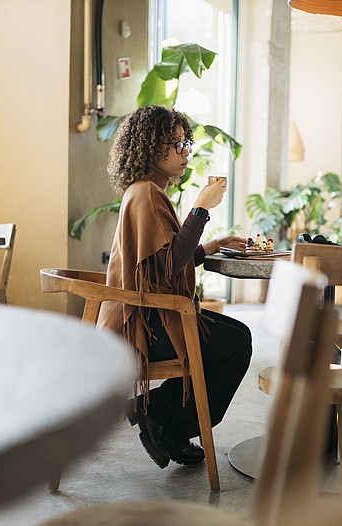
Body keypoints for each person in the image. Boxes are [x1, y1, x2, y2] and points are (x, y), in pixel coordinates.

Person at [98, 105, 252, 468]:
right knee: (237, 344)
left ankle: (162, 419)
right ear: (152, 148)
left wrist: (211, 248)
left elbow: (158, 265)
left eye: (187, 143)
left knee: (236, 337)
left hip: (148, 316)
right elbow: (166, 271)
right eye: (176, 144)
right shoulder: (147, 194)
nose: (186, 151)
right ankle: (165, 420)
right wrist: (200, 209)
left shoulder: (144, 191)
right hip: (146, 326)